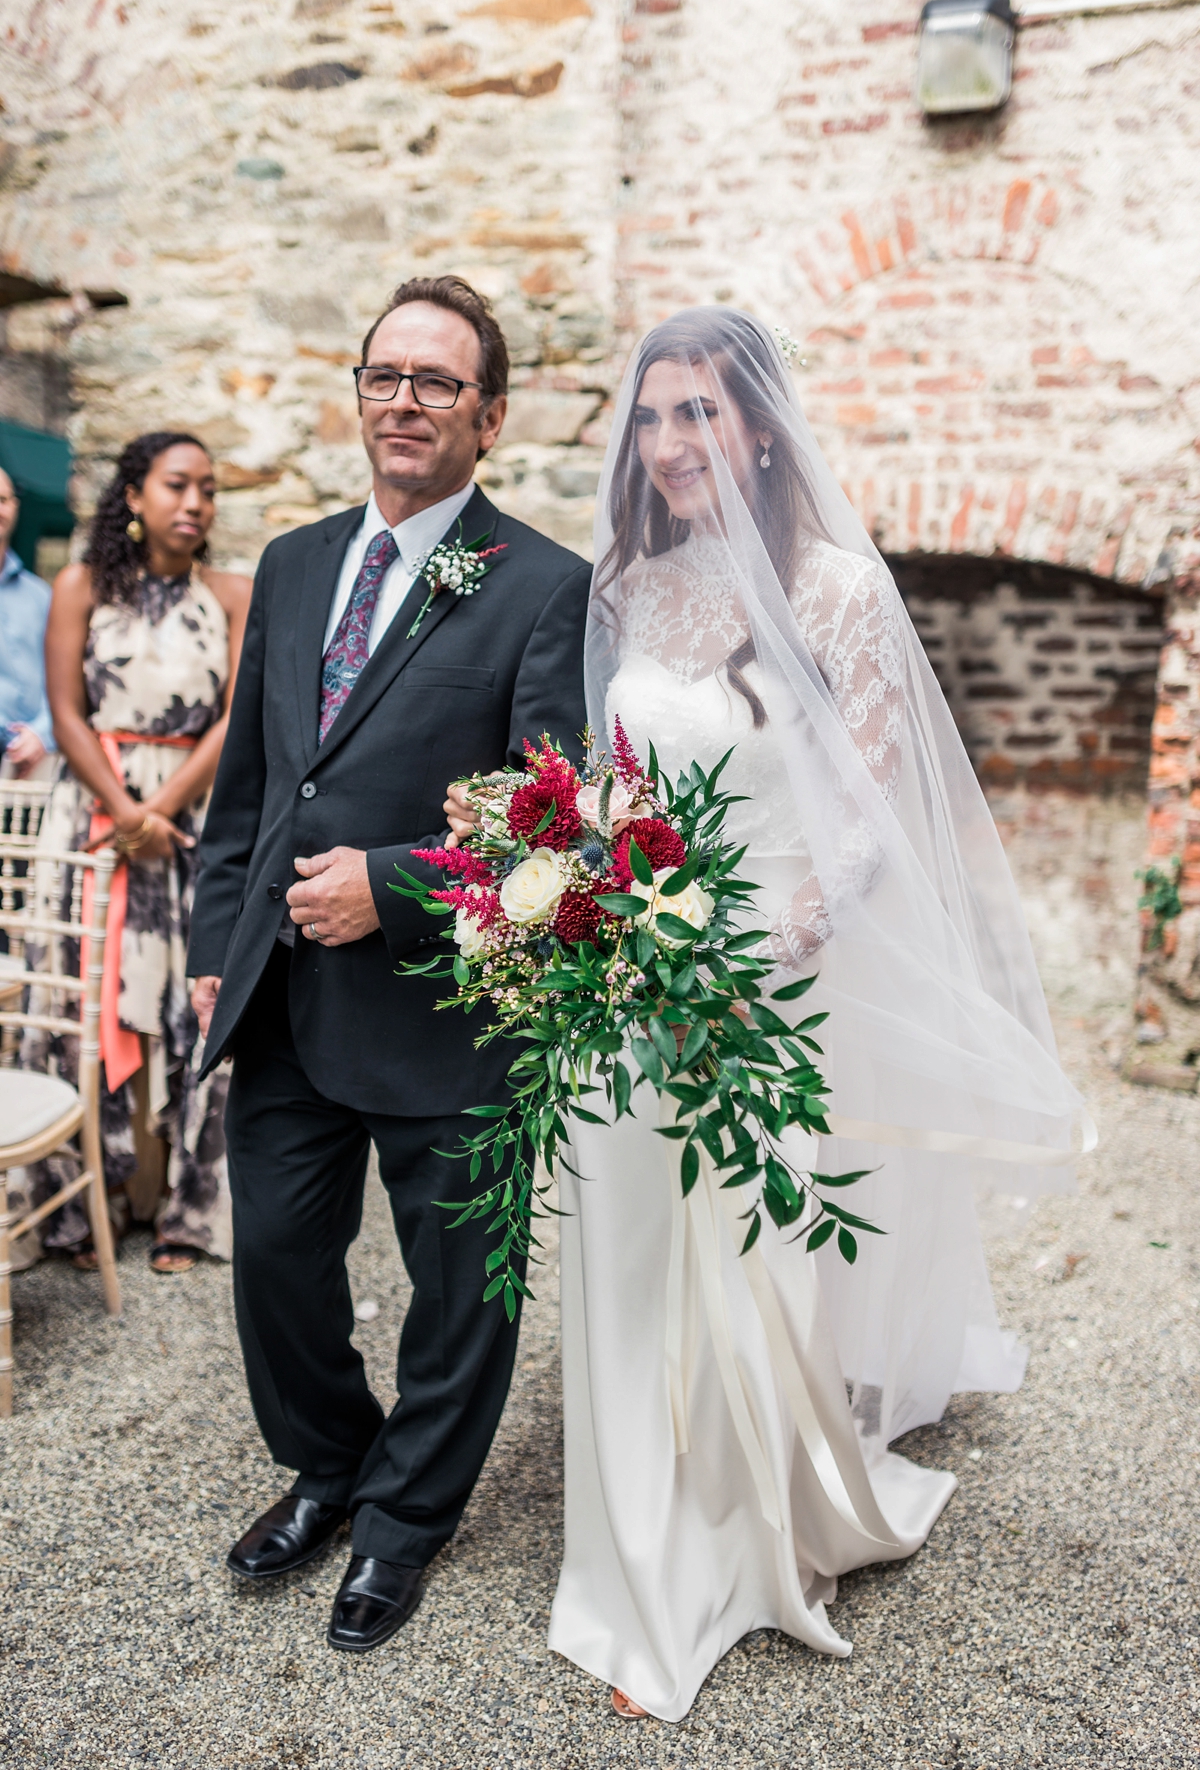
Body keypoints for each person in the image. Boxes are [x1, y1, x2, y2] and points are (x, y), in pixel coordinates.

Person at [452, 309, 1090, 1720]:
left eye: (702, 414)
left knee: (748, 1260)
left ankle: (746, 1549)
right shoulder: (630, 576)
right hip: (624, 980)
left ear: (758, 424)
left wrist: (762, 945)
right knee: (623, 1265)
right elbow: (610, 787)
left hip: (758, 983)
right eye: (655, 416)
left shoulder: (839, 588)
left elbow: (861, 820)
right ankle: (635, 1558)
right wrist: (563, 896)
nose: (673, 443)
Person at [186, 275, 589, 1654]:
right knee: (277, 1262)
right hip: (284, 995)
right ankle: (331, 1466)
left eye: (436, 383)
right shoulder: (295, 562)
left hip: (447, 1009)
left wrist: (397, 888)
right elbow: (250, 781)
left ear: (489, 418)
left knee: (462, 1290)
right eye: (385, 376)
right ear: (360, 393)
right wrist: (209, 942)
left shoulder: (543, 584)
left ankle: (407, 1525)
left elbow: (558, 820)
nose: (403, 402)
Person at [21, 432, 249, 1273]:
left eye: (210, 490)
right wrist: (123, 811)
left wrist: (161, 809)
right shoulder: (78, 586)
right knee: (90, 997)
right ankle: (89, 1208)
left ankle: (187, 1210)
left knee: (198, 1004)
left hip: (191, 819)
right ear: (134, 497)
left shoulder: (233, 593)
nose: (196, 503)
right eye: (179, 485)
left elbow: (235, 716)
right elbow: (66, 711)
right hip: (93, 819)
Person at [0, 464, 55, 780]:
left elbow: (65, 680)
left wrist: (41, 734)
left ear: (15, 507)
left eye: (2, 499)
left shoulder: (41, 597)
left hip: (27, 774)